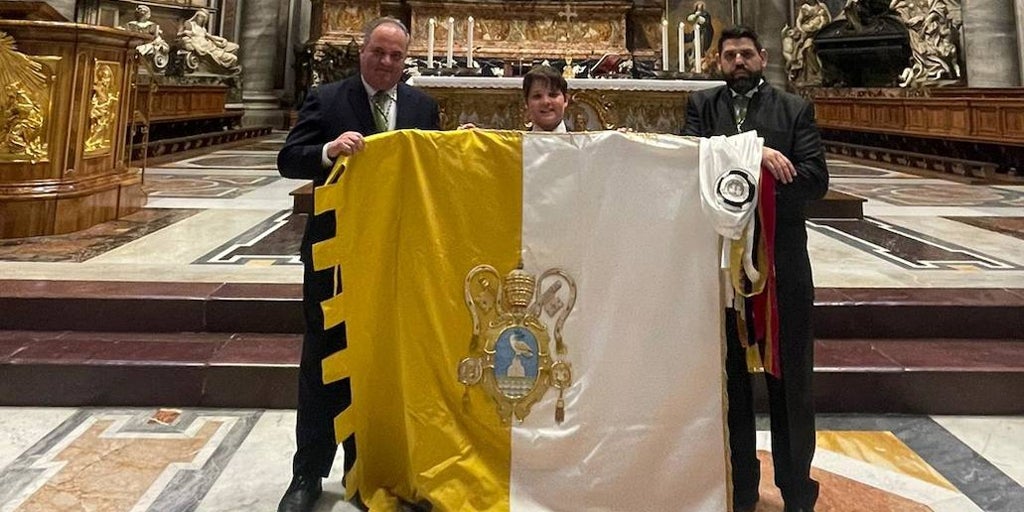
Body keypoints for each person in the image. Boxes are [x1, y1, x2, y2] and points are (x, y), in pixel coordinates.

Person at [276, 17, 440, 512]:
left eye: (396, 56)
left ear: (406, 60)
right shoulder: (327, 99)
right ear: (362, 51)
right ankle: (307, 472)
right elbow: (289, 159)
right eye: (378, 53)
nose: (386, 63)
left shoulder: (422, 106)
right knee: (323, 359)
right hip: (336, 251)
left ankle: (365, 470)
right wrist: (328, 151)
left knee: (382, 360)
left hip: (393, 253)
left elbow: (430, 173)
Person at [682, 26, 829, 512]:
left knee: (791, 383)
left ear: (762, 57)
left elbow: (813, 180)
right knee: (730, 383)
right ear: (718, 61)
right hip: (721, 271)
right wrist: (754, 154)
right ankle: (740, 487)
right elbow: (687, 165)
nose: (739, 61)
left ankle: (796, 489)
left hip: (781, 264)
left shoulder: (794, 108)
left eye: (746, 54)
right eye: (730, 55)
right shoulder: (702, 107)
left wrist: (751, 174)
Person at [125, 5, 170, 71]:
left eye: (144, 12)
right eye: (140, 11)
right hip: (133, 43)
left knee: (152, 47)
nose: (141, 14)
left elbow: (155, 37)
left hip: (147, 44)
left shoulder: (152, 25)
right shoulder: (130, 24)